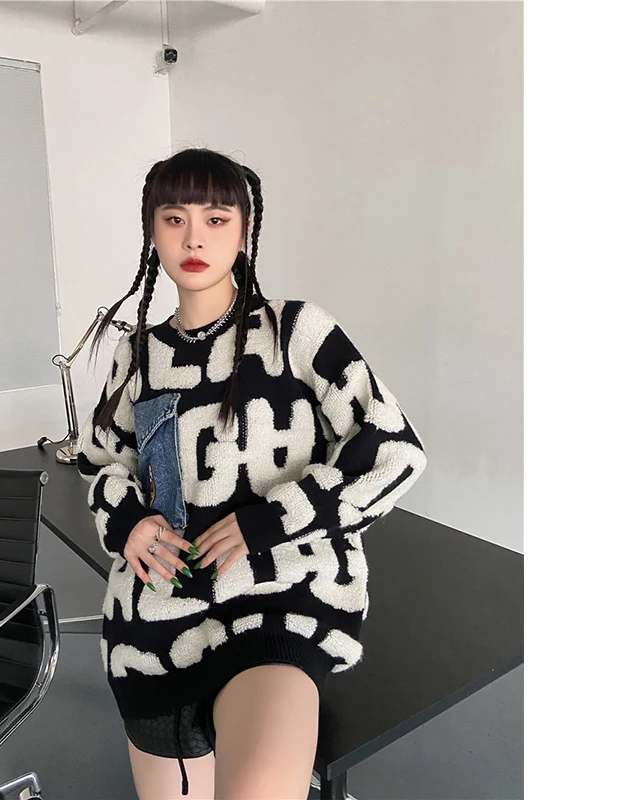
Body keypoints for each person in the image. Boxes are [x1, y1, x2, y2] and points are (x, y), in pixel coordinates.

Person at [77, 147, 428, 800]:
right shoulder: (137, 354)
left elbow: (394, 450)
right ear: (152, 232)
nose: (194, 239)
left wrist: (271, 520)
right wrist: (128, 521)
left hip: (275, 605)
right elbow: (101, 462)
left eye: (216, 219)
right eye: (175, 219)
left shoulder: (296, 332)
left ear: (245, 230)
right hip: (151, 623)